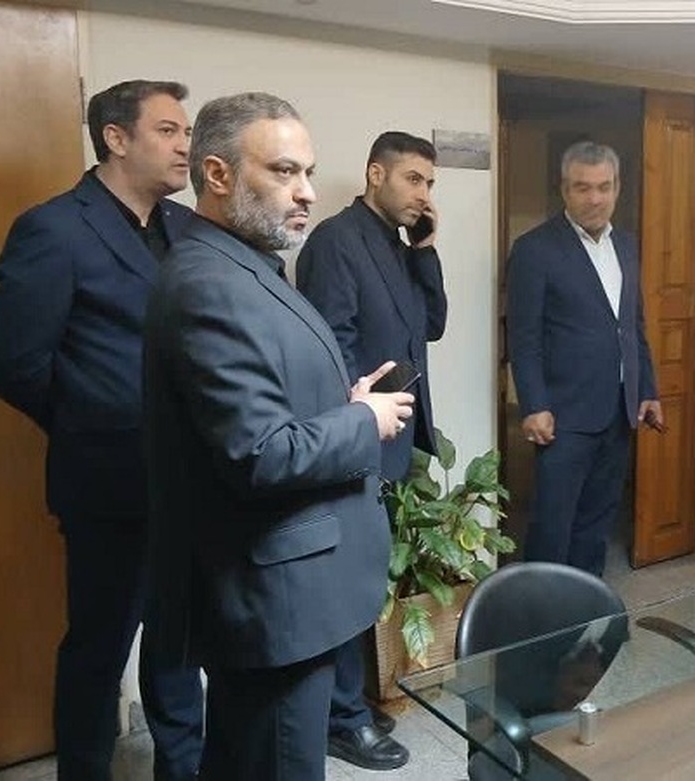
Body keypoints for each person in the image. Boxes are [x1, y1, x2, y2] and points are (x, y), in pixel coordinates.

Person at [142, 91, 412, 780]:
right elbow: (259, 454)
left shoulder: (248, 265)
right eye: (285, 171)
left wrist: (341, 401)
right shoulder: (209, 283)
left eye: (308, 172)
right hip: (276, 601)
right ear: (218, 174)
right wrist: (364, 420)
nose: (307, 192)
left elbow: (264, 406)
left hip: (291, 595)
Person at [0, 79, 203, 781]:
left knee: (179, 644)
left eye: (187, 131)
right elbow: (13, 364)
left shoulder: (189, 228)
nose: (186, 145)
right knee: (99, 647)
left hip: (191, 480)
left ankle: (184, 767)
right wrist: (89, 421)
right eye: (168, 130)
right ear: (116, 138)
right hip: (107, 482)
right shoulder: (53, 229)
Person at [296, 130, 447, 770]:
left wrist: (427, 251)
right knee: (345, 582)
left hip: (395, 436)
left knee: (367, 579)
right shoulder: (337, 241)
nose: (423, 194)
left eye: (429, 183)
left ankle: (351, 699)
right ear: (375, 174)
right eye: (413, 179)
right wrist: (359, 422)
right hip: (357, 435)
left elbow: (432, 325)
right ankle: (341, 719)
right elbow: (330, 347)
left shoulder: (398, 244)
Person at [505, 140, 663, 577]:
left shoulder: (626, 245)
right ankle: (540, 613)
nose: (595, 198)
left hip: (618, 411)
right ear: (564, 190)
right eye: (583, 187)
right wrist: (534, 404)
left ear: (617, 188)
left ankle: (585, 607)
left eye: (604, 187)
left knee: (596, 524)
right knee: (552, 527)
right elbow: (523, 336)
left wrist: (647, 390)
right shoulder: (535, 249)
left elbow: (633, 325)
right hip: (564, 415)